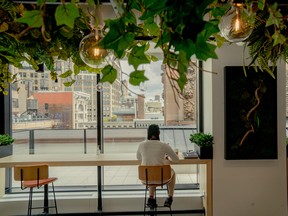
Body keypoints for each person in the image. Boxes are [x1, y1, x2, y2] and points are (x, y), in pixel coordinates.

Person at [136, 124, 179, 208]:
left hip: (146, 179)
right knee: (172, 172)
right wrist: (166, 158)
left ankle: (151, 198)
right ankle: (170, 197)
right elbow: (176, 159)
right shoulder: (164, 145)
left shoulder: (142, 144)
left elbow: (138, 157)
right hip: (162, 179)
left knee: (151, 170)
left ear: (148, 133)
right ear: (159, 133)